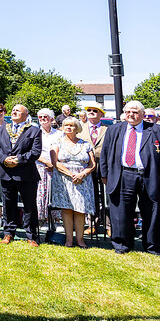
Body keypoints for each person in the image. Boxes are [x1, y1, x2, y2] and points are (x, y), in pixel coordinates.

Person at [100, 100, 160, 255]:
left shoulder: (158, 131)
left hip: (151, 175)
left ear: (143, 114)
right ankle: (122, 245)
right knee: (121, 212)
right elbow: (105, 153)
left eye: (135, 112)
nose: (131, 115)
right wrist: (104, 174)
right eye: (128, 111)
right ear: (124, 113)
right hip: (123, 174)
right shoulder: (114, 130)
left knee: (153, 211)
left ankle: (153, 247)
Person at [0, 104, 42, 246]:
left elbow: (36, 151)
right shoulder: (2, 129)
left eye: (18, 111)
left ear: (26, 115)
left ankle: (31, 236)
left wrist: (19, 160)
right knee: (8, 205)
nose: (14, 112)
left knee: (29, 206)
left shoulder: (34, 131)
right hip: (6, 172)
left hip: (26, 174)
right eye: (13, 110)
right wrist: (4, 159)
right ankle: (8, 233)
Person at [50, 117, 96, 248]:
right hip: (64, 179)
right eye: (66, 125)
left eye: (72, 125)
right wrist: (71, 175)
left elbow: (92, 164)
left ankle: (80, 240)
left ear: (77, 128)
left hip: (83, 180)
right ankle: (69, 240)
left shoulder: (85, 144)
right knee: (67, 209)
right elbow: (55, 162)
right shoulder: (57, 142)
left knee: (80, 209)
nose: (68, 127)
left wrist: (82, 174)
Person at [78, 101, 109, 237]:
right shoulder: (80, 128)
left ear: (101, 114)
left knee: (108, 197)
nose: (91, 112)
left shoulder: (108, 129)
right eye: (89, 110)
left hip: (105, 167)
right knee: (91, 197)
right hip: (87, 168)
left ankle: (109, 226)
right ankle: (92, 224)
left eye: (95, 111)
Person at [35, 108, 61, 240]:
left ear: (51, 119)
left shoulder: (59, 134)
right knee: (41, 193)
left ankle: (56, 220)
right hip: (40, 166)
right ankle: (42, 219)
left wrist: (54, 164)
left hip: (56, 168)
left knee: (55, 193)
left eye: (45, 117)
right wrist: (45, 162)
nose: (43, 119)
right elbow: (33, 150)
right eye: (40, 117)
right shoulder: (35, 132)